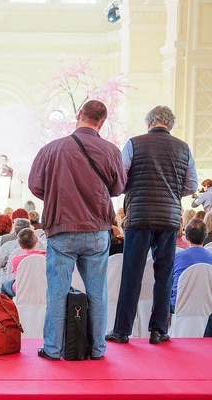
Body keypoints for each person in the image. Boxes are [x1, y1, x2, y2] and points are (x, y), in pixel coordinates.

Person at [29, 100, 125, 360]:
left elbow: (35, 186)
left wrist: (57, 197)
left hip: (61, 229)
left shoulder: (52, 149)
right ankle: (97, 349)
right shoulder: (111, 151)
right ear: (101, 122)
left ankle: (52, 348)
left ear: (78, 115)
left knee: (57, 293)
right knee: (98, 294)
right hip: (97, 231)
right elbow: (117, 189)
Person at [107, 105, 197, 346]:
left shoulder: (134, 144)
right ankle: (158, 330)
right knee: (164, 275)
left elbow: (121, 176)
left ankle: (122, 330)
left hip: (139, 216)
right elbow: (190, 185)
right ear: (170, 124)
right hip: (168, 219)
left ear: (149, 122)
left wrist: (132, 189)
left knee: (132, 274)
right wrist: (171, 191)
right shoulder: (184, 148)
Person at [170, 219, 212, 312]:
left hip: (179, 306)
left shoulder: (177, 257)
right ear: (205, 236)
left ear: (187, 237)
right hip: (207, 307)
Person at [0, 228, 46, 299]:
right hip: (42, 290)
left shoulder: (15, 259)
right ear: (37, 240)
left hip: (21, 290)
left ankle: (8, 308)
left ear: (21, 245)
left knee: (4, 285)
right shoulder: (46, 257)